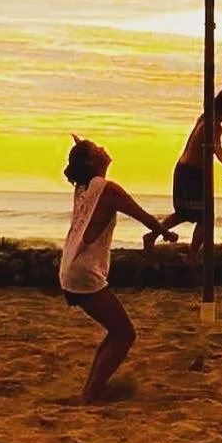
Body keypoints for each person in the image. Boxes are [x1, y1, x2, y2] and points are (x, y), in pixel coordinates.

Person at [60, 138, 176, 403]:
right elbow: (142, 215)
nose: (103, 149)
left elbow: (80, 167)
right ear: (91, 161)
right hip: (83, 274)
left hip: (71, 268)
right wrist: (165, 233)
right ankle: (90, 394)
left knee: (117, 332)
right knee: (125, 334)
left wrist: (82, 149)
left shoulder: (84, 186)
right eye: (97, 149)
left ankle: (91, 390)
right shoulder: (107, 189)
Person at [146, 88, 222, 262]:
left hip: (182, 169)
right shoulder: (213, 124)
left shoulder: (206, 116)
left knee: (184, 213)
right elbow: (216, 148)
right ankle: (192, 256)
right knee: (205, 217)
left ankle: (152, 236)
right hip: (193, 173)